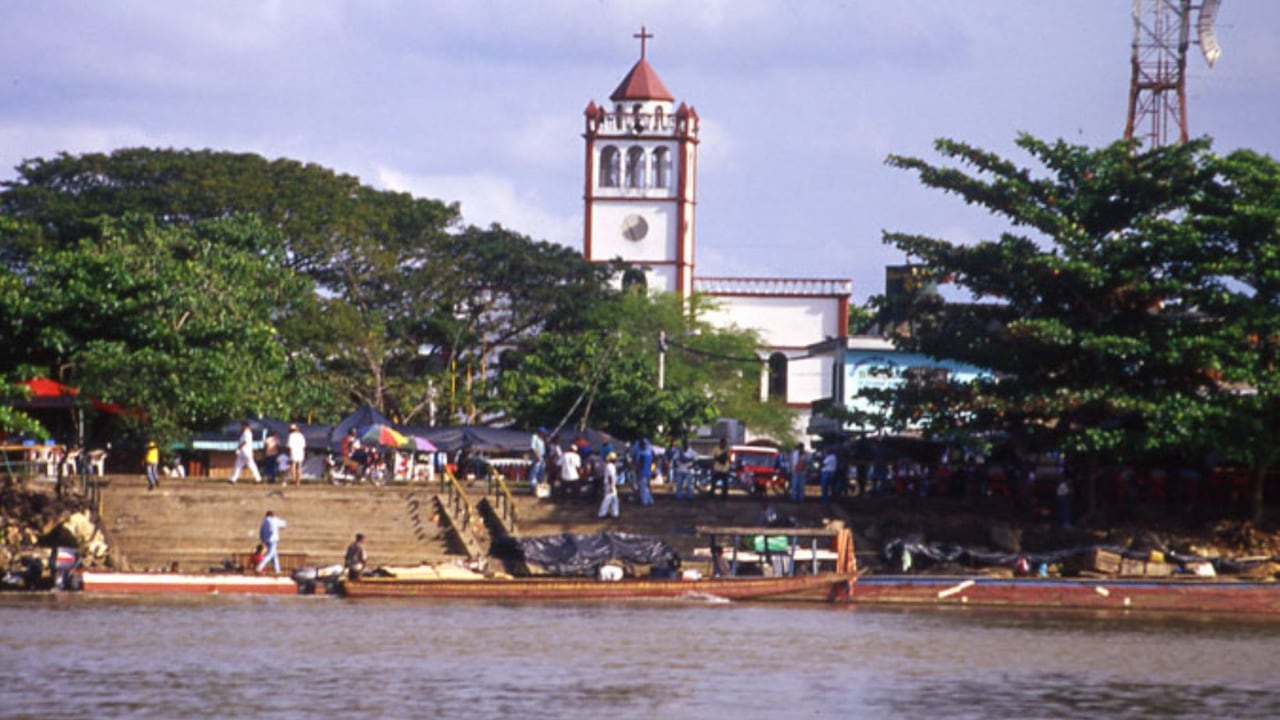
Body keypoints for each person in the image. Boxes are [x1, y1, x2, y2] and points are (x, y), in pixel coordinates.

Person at [598, 452, 620, 519]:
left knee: (614, 499)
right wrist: (611, 486)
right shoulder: (610, 466)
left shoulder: (609, 466)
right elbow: (610, 477)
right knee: (607, 499)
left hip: (610, 484)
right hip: (610, 484)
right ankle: (602, 514)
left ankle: (615, 513)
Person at [633, 438, 655, 506]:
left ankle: (644, 501)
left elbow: (639, 464)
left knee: (643, 488)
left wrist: (637, 470)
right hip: (648, 472)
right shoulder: (649, 453)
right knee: (647, 487)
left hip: (642, 472)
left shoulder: (641, 454)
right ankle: (650, 500)